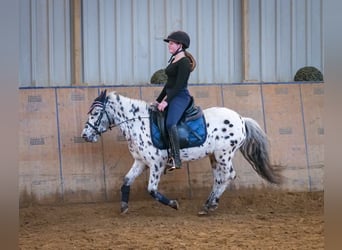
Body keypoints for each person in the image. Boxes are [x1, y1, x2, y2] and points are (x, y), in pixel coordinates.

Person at [155, 30, 196, 171]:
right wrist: (158, 100)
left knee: (171, 123)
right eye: (169, 43)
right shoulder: (174, 59)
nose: (169, 46)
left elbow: (178, 85)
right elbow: (169, 84)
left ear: (180, 45)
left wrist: (166, 102)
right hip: (172, 93)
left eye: (172, 43)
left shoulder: (184, 62)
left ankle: (176, 159)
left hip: (180, 96)